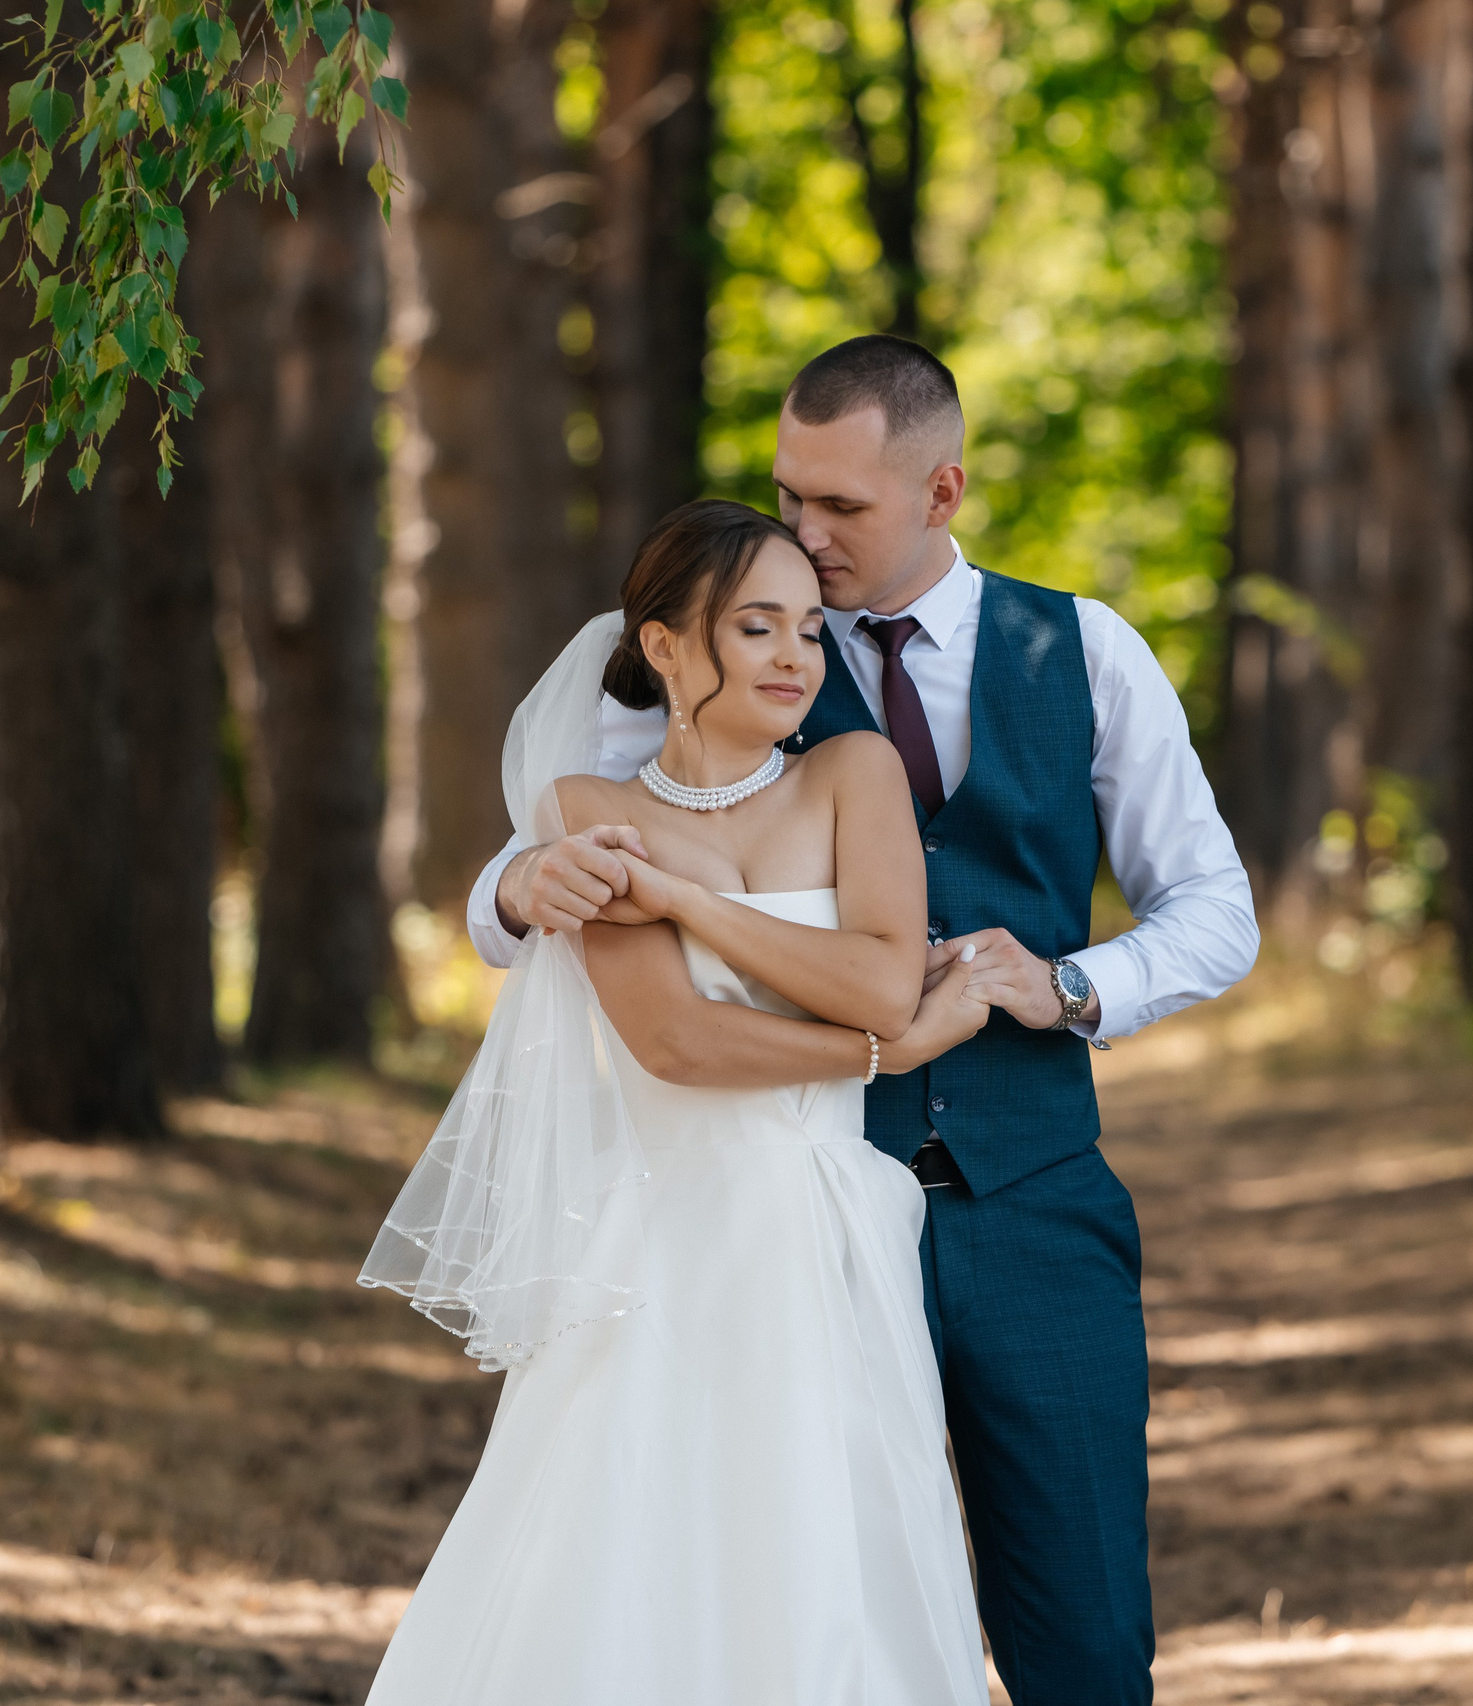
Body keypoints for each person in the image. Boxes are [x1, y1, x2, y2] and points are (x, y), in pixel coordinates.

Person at [466, 335, 1259, 1704]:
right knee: (808, 1627)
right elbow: (561, 832)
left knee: (1084, 1640)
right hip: (794, 1228)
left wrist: (1071, 985)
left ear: (942, 491)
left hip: (1034, 1205)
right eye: (790, 495)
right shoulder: (726, 645)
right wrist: (517, 888)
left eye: (841, 505)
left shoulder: (1081, 651)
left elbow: (1214, 907)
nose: (806, 533)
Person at [362, 500, 994, 1703]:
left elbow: (877, 976)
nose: (795, 656)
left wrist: (692, 903)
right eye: (756, 627)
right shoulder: (588, 815)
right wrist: (884, 1053)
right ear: (662, 645)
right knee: (633, 1551)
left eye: (808, 628)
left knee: (828, 1547)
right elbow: (676, 1043)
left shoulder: (854, 773)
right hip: (660, 1244)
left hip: (830, 1230)